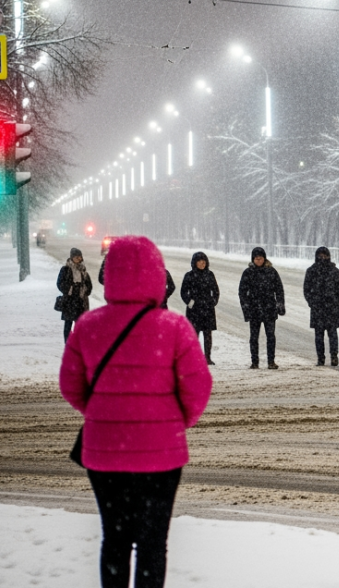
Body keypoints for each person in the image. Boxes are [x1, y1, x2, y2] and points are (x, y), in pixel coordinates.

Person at [59, 235, 213, 588]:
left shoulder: (89, 326)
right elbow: (197, 388)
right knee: (152, 542)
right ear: (158, 276)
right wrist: (173, 422)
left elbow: (71, 386)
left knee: (114, 538)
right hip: (162, 453)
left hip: (104, 452)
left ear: (109, 274)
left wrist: (102, 411)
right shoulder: (174, 327)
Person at [238, 247, 284, 369]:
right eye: (256, 258)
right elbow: (242, 292)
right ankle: (254, 362)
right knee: (254, 337)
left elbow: (279, 290)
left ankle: (271, 361)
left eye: (261, 258)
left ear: (264, 258)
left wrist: (280, 304)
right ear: (253, 259)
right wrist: (246, 308)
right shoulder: (248, 273)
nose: (259, 260)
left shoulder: (271, 272)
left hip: (269, 309)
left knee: (271, 336)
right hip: (254, 310)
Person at [303, 246, 339, 367]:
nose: (323, 258)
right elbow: (306, 290)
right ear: (316, 256)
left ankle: (334, 356)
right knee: (319, 335)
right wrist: (311, 302)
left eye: (325, 255)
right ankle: (320, 358)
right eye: (320, 256)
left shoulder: (334, 271)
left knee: (332, 334)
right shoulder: (311, 271)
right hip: (318, 308)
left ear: (328, 256)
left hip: (331, 307)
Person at [180, 252, 219, 365]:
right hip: (194, 310)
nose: (202, 263)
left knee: (208, 335)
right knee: (193, 335)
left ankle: (207, 357)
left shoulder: (210, 275)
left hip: (207, 309)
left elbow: (215, 291)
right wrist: (190, 303)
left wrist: (213, 302)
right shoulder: (189, 276)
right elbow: (183, 292)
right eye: (199, 261)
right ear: (194, 263)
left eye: (204, 261)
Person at [57, 248, 94, 343]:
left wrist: (84, 290)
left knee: (80, 324)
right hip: (69, 300)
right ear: (72, 257)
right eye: (76, 256)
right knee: (68, 324)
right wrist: (70, 289)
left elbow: (89, 285)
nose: (79, 258)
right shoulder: (65, 269)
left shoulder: (83, 270)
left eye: (80, 257)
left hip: (81, 301)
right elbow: (59, 283)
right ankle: (68, 343)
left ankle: (78, 344)